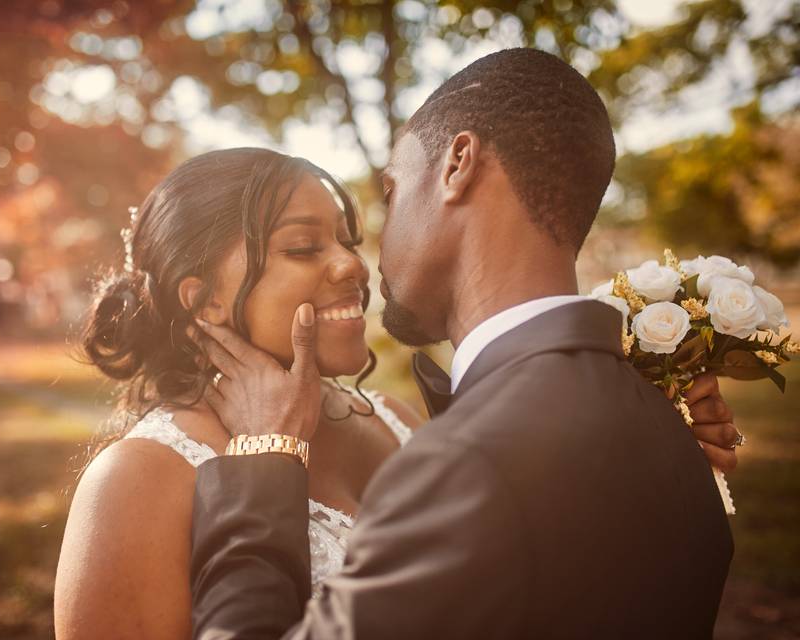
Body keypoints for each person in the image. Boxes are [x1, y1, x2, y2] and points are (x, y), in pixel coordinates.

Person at [53, 144, 736, 638]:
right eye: (302, 248)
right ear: (200, 301)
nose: (353, 265)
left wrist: (643, 429)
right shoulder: (140, 478)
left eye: (348, 240)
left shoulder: (399, 417)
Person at [188, 49, 737, 639]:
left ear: (458, 165)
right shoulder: (675, 434)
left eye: (392, 193)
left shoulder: (467, 467)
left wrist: (265, 466)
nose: (359, 258)